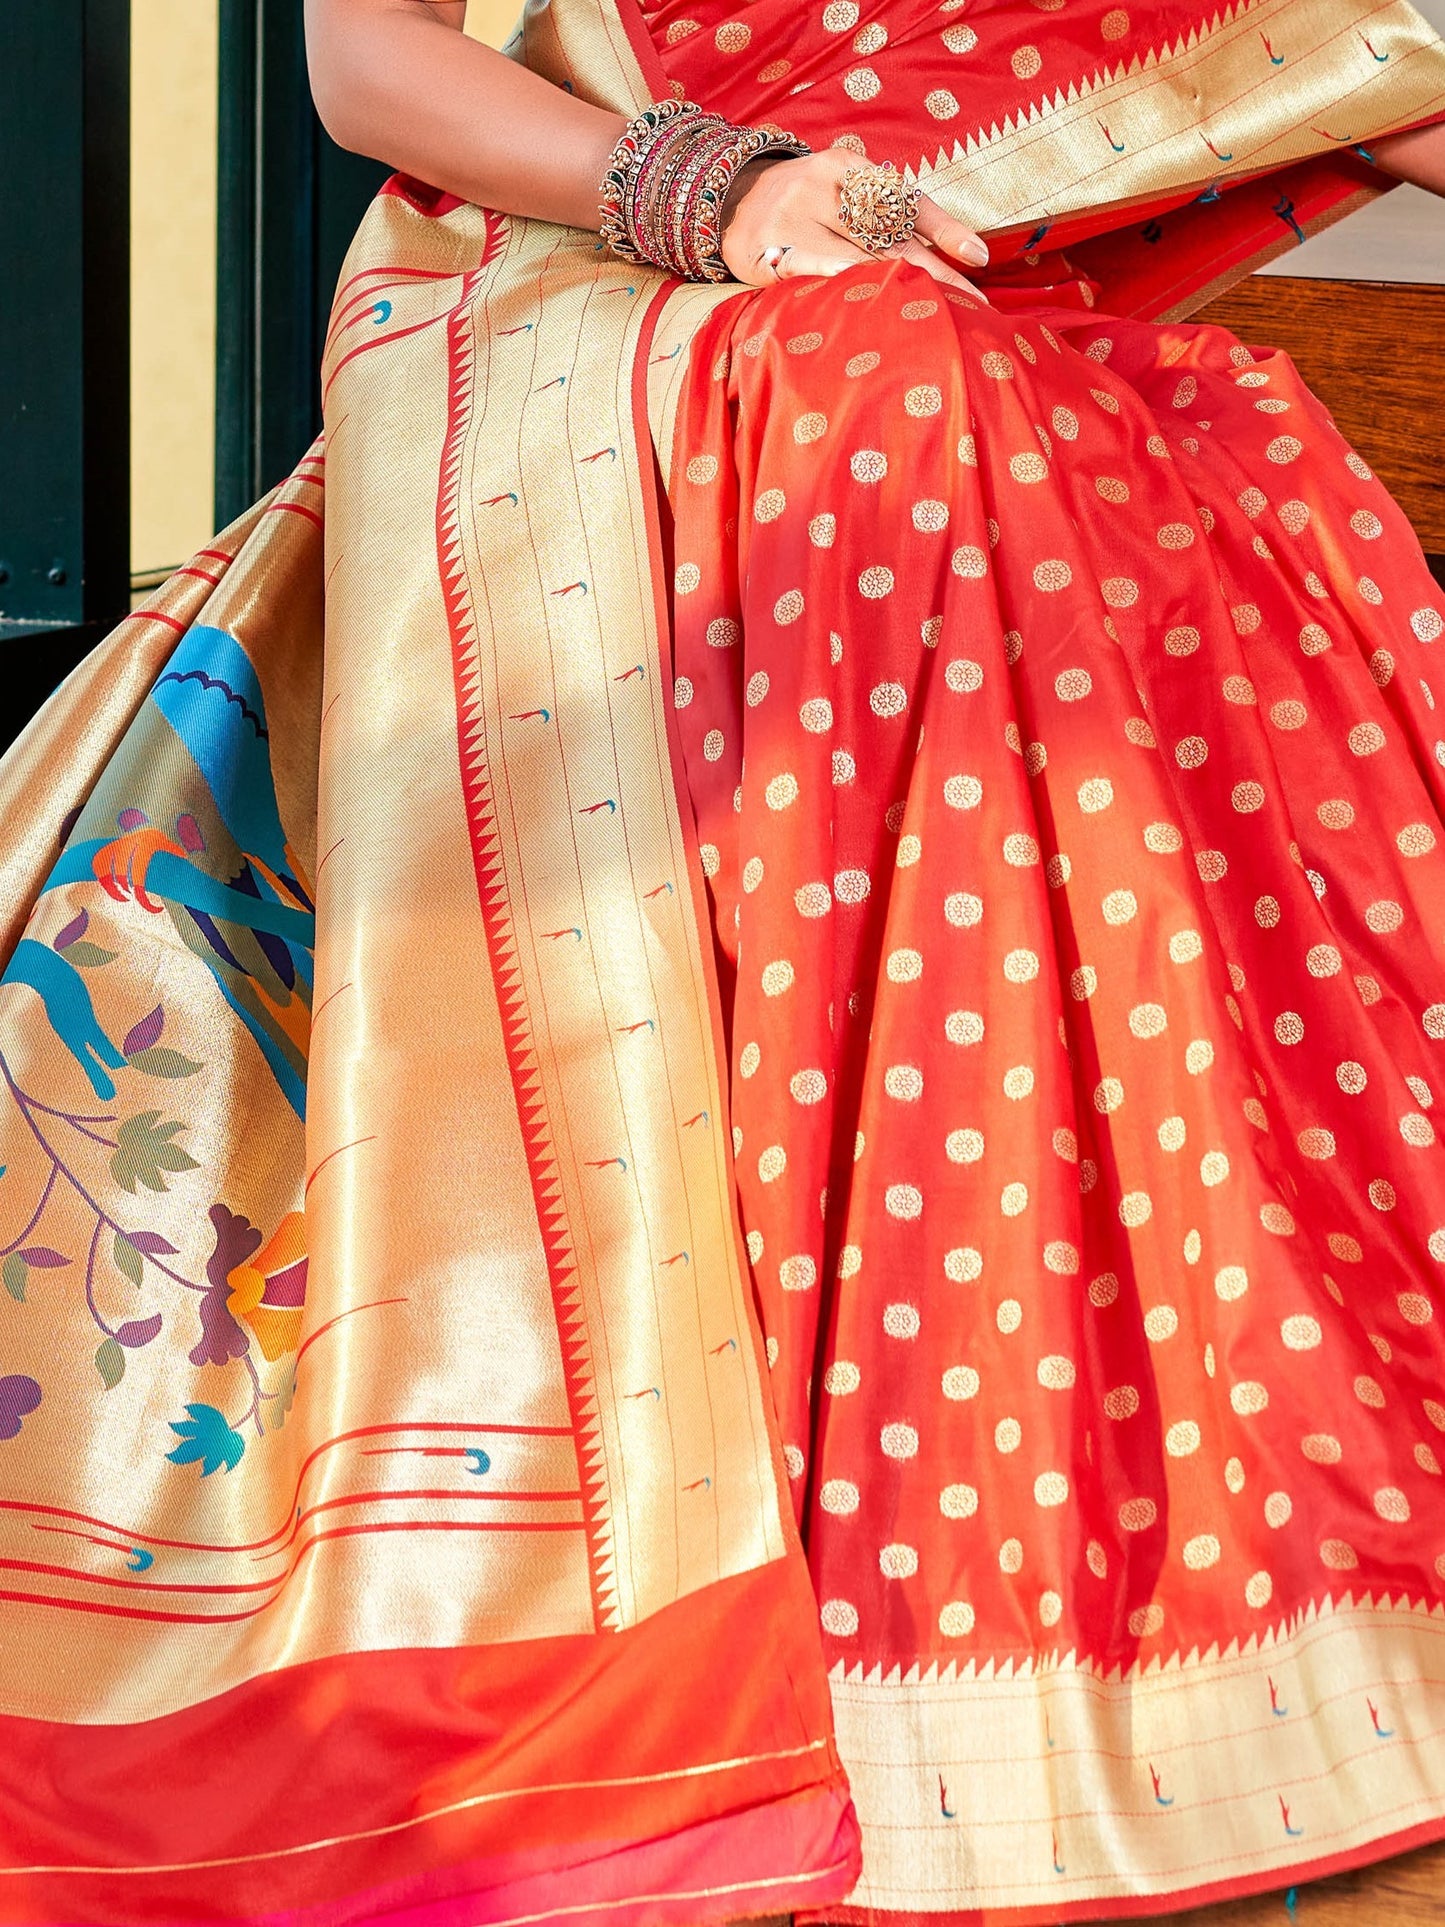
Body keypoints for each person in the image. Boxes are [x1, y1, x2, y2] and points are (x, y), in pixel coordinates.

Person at [2, 0, 1445, 1920]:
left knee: (1215, 457)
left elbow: (1338, 48)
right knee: (900, 403)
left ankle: (1243, 1579)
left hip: (996, 347)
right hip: (603, 285)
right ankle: (909, 1633)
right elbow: (362, 66)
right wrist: (720, 187)